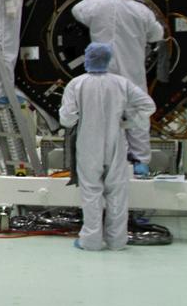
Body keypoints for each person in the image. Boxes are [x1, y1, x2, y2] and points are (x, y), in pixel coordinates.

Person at [59, 43, 155, 251]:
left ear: (87, 58)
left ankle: (91, 240)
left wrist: (80, 118)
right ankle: (117, 240)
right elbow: (148, 106)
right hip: (116, 142)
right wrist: (128, 123)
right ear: (108, 59)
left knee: (91, 191)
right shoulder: (122, 83)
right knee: (117, 193)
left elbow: (66, 119)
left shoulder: (77, 84)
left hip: (88, 143)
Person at [71, 0, 164, 174]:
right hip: (132, 74)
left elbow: (77, 10)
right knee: (137, 116)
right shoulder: (141, 11)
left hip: (102, 76)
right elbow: (158, 34)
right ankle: (140, 163)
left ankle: (103, 162)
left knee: (101, 118)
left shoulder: (97, 6)